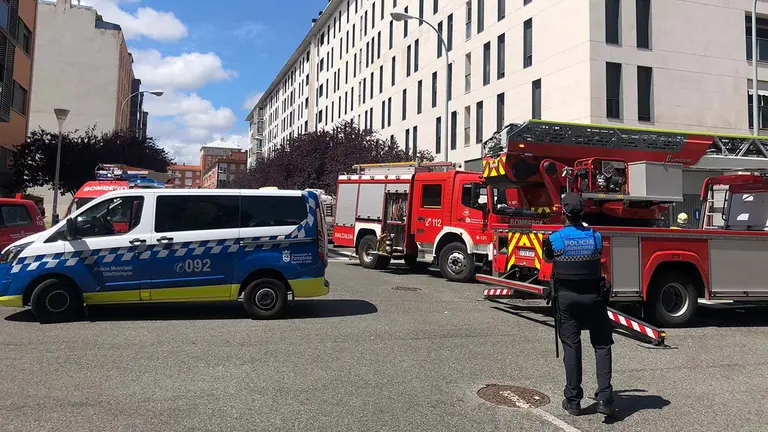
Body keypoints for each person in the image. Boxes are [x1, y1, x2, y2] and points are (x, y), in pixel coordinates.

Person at [542, 193, 614, 417]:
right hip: (594, 297)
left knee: (572, 347)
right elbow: (599, 256)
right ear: (583, 213)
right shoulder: (595, 236)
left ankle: (573, 400)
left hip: (567, 299)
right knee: (602, 345)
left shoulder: (555, 238)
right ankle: (605, 398)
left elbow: (547, 259)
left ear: (563, 213)